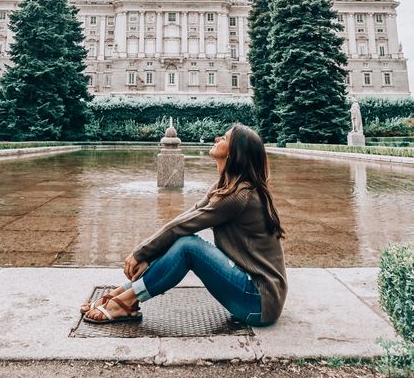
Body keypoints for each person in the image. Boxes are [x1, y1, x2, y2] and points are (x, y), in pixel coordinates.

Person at [81, 124, 287, 327]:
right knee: (181, 240)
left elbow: (184, 227)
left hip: (259, 302)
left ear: (235, 153)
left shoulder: (238, 196)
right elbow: (185, 219)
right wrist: (149, 254)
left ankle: (126, 301)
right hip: (252, 293)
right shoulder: (224, 187)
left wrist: (140, 252)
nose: (217, 139)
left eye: (224, 138)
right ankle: (123, 293)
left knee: (188, 246)